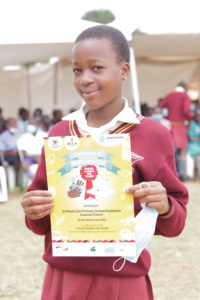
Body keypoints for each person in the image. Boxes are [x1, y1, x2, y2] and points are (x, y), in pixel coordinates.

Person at [21, 25, 188, 300]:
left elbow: (176, 222)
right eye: (77, 70)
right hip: (65, 277)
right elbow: (39, 221)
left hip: (123, 280)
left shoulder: (153, 135)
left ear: (124, 70)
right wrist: (34, 209)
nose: (85, 79)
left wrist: (166, 205)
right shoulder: (61, 134)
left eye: (96, 68)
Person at [159, 82, 193, 181]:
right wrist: (190, 119)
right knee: (182, 151)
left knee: (170, 151)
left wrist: (167, 116)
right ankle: (182, 174)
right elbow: (186, 111)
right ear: (185, 88)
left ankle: (172, 174)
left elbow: (161, 105)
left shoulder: (170, 95)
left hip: (170, 126)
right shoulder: (185, 96)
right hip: (180, 126)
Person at [186, 108, 200, 180]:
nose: (199, 117)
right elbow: (190, 138)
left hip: (198, 147)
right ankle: (189, 177)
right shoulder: (192, 124)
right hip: (192, 147)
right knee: (189, 157)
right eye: (197, 115)